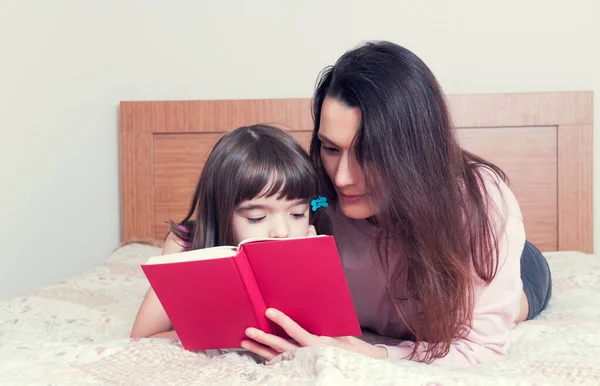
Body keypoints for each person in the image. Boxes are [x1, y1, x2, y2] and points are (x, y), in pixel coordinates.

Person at [240, 41, 552, 369]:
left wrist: (372, 353)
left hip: (514, 262)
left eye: (369, 155)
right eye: (331, 149)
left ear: (414, 151)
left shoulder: (481, 205)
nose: (343, 177)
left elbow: (480, 348)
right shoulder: (321, 199)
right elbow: (243, 215)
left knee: (507, 305)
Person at [130, 124, 330, 339]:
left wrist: (309, 269)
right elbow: (143, 338)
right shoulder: (184, 246)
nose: (282, 232)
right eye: (257, 218)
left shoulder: (316, 240)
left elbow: (330, 329)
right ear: (221, 212)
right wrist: (218, 331)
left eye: (297, 214)